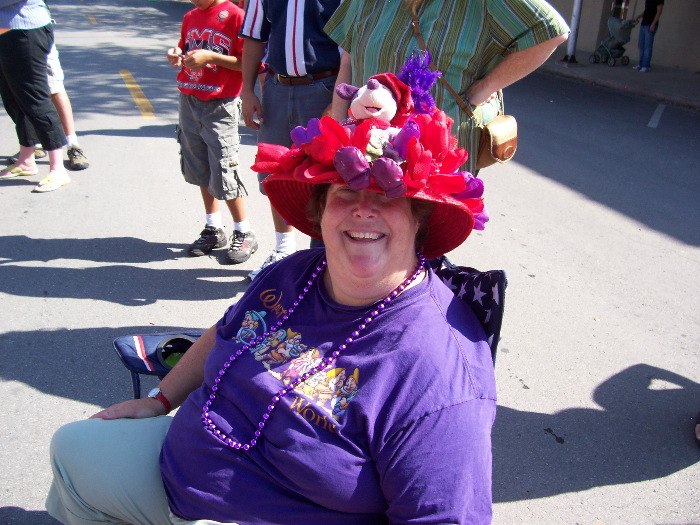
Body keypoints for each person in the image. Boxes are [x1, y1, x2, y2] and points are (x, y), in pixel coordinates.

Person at [46, 86, 497, 524]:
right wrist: (161, 401)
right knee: (73, 447)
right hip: (183, 469)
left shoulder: (441, 371)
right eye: (344, 192)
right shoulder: (294, 273)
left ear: (420, 217)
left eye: (387, 196)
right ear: (320, 212)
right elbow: (225, 332)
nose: (364, 209)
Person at [325, 0, 569, 175]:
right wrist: (336, 133)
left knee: (423, 235)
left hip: (436, 154)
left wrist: (486, 87)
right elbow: (348, 60)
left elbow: (549, 31)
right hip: (362, 145)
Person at [240, 0, 341, 280]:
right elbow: (253, 37)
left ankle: (321, 260)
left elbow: (352, 47)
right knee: (276, 173)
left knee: (321, 176)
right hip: (276, 89)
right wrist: (247, 92)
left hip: (323, 88)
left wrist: (337, 101)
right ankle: (283, 251)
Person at [166, 0, 257, 263]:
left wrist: (212, 57)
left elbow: (248, 62)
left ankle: (244, 230)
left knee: (223, 168)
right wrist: (175, 54)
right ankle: (213, 228)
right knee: (200, 166)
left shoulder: (236, 17)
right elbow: (184, 48)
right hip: (189, 101)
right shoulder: (191, 16)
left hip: (220, 105)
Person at [0, 0, 70, 192]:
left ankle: (58, 169)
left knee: (35, 99)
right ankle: (26, 160)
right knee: (13, 98)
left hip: (25, 30)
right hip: (6, 29)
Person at [11, 43, 91, 170]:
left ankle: (73, 146)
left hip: (35, 34)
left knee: (55, 88)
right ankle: (34, 145)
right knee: (21, 92)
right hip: (9, 41)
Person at [633, 0, 664, 73]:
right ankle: (641, 64)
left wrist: (653, 24)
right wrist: (639, 16)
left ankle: (646, 66)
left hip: (650, 25)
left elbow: (659, 12)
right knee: (641, 45)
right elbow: (647, 10)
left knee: (648, 46)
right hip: (644, 24)